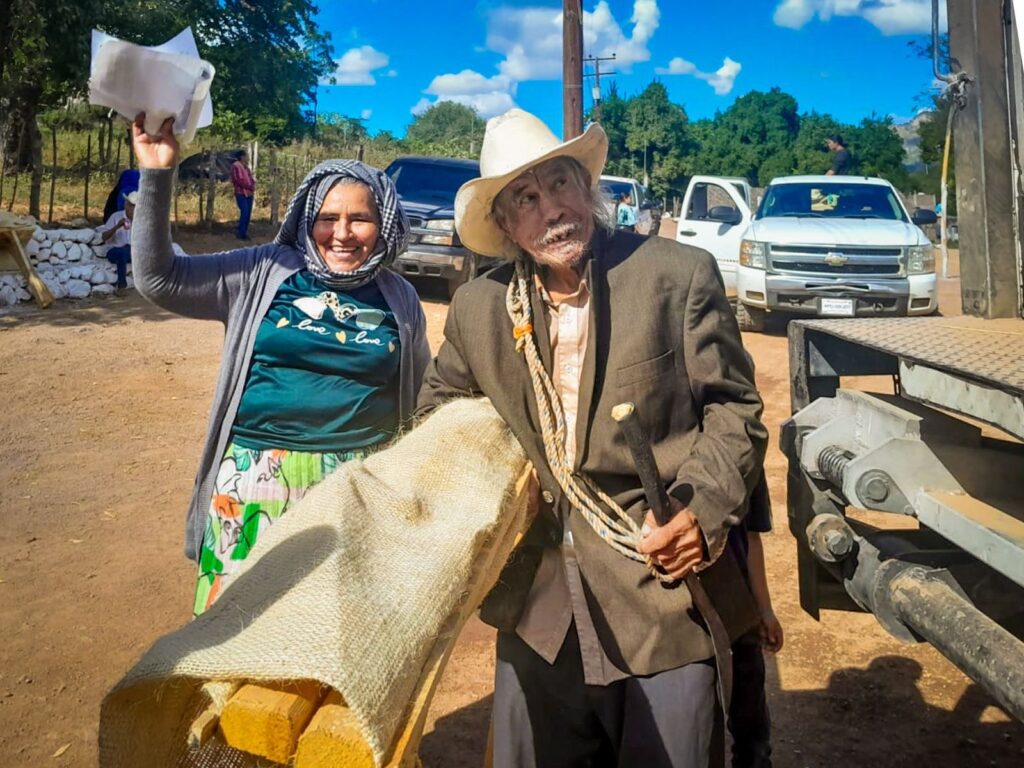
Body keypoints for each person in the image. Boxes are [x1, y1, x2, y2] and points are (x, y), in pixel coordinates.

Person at [418, 108, 768, 767]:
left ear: (589, 187)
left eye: (560, 184)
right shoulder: (480, 308)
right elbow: (440, 421)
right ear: (504, 226)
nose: (551, 209)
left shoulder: (674, 275)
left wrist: (701, 508)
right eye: (525, 197)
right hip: (538, 604)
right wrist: (488, 492)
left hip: (660, 592)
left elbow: (735, 412)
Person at [130, 114, 431, 615]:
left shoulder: (400, 299)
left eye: (360, 219)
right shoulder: (262, 270)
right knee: (233, 632)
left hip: (355, 486)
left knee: (330, 633)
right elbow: (160, 279)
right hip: (253, 481)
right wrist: (157, 175)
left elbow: (422, 397)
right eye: (327, 217)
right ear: (306, 217)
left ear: (384, 226)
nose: (342, 234)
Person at [727, 477, 783, 768]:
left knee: (752, 735)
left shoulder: (743, 446)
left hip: (737, 616)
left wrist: (765, 610)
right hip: (679, 623)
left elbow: (751, 537)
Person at [98, 190, 137, 295]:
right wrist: (117, 226)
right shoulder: (116, 216)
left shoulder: (141, 221)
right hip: (115, 250)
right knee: (121, 253)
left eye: (135, 207)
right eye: (130, 206)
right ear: (126, 205)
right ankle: (121, 286)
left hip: (131, 250)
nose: (132, 209)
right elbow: (104, 237)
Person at [231, 150, 256, 240]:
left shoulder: (246, 167)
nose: (248, 157)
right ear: (242, 157)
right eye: (246, 156)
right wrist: (249, 186)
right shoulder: (236, 166)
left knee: (248, 214)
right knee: (244, 213)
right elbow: (238, 180)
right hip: (241, 193)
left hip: (249, 193)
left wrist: (252, 185)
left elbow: (250, 178)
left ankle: (244, 232)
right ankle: (240, 233)